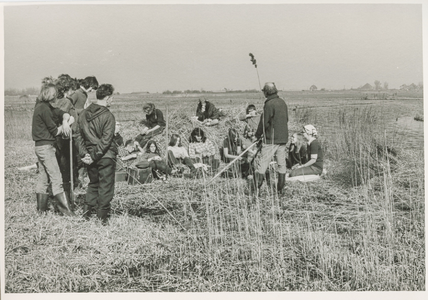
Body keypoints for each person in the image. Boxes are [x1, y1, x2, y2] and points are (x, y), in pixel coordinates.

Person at [74, 84, 117, 225]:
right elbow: (106, 140)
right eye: (112, 98)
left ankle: (86, 214)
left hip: (89, 157)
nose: (112, 101)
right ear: (108, 97)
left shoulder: (84, 114)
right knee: (106, 186)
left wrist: (85, 154)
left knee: (93, 184)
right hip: (105, 156)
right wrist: (93, 155)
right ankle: (102, 218)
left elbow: (78, 136)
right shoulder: (108, 116)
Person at [32, 82, 74, 216]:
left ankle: (41, 210)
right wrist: (68, 124)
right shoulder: (44, 109)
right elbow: (55, 132)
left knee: (43, 178)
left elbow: (62, 113)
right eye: (55, 94)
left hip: (40, 146)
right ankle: (65, 211)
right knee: (56, 178)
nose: (56, 96)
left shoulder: (45, 107)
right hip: (46, 147)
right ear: (51, 95)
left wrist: (65, 120)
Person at [248, 82, 289, 195]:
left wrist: (257, 136)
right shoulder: (282, 102)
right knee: (281, 164)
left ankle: (255, 191)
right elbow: (286, 119)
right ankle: (280, 190)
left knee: (263, 163)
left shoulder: (269, 104)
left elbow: (263, 122)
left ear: (266, 92)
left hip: (271, 139)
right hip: (283, 138)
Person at [52, 74, 80, 210]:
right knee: (66, 172)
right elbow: (68, 122)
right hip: (65, 140)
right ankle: (67, 203)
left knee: (56, 171)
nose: (73, 91)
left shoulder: (51, 101)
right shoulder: (66, 102)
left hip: (53, 139)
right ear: (66, 88)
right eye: (72, 88)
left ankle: (57, 200)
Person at [70, 76, 99, 188]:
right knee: (77, 156)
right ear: (88, 86)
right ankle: (77, 181)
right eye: (92, 89)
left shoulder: (87, 94)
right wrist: (83, 111)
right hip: (75, 129)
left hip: (83, 128)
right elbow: (68, 108)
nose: (92, 92)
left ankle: (82, 178)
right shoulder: (77, 94)